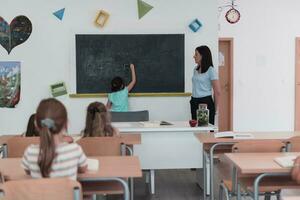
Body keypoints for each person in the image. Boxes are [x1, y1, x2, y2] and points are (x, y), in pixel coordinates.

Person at [21, 98, 87, 180]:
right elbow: (83, 169)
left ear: (36, 125)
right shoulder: (75, 150)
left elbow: (27, 172)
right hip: (65, 193)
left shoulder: (30, 152)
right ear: (65, 124)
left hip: (38, 193)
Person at [190, 45, 221, 125]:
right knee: (196, 129)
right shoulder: (195, 69)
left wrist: (214, 109)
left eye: (196, 54)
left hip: (204, 102)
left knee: (205, 129)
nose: (194, 56)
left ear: (202, 56)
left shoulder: (211, 70)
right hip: (194, 101)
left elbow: (217, 91)